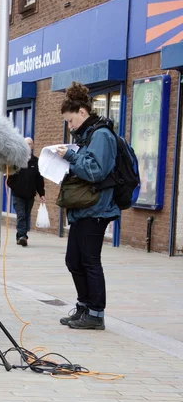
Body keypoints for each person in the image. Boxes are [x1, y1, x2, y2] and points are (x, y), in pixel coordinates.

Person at [56, 82, 120, 331]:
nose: (70, 127)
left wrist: (70, 157)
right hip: (84, 208)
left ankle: (96, 314)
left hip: (97, 208)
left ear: (82, 112)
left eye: (71, 121)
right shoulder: (87, 136)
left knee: (90, 261)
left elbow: (96, 170)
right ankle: (84, 306)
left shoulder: (101, 135)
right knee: (74, 260)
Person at [7, 137, 45, 246]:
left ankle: (21, 235)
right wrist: (15, 187)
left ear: (32, 146)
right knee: (21, 215)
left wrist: (41, 194)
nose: (28, 146)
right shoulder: (17, 160)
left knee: (26, 215)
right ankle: (22, 236)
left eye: (30, 144)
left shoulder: (35, 161)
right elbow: (10, 177)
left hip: (30, 195)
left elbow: (39, 179)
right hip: (18, 195)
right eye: (26, 144)